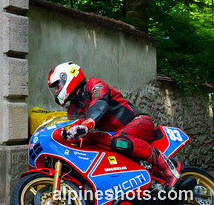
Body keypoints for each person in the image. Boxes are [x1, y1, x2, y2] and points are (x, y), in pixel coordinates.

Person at [47, 62, 182, 189]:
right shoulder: (73, 109)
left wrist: (87, 123)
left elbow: (99, 103)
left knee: (119, 141)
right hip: (113, 137)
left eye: (57, 86)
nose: (56, 91)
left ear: (68, 78)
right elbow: (76, 126)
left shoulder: (94, 84)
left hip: (138, 122)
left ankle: (169, 165)